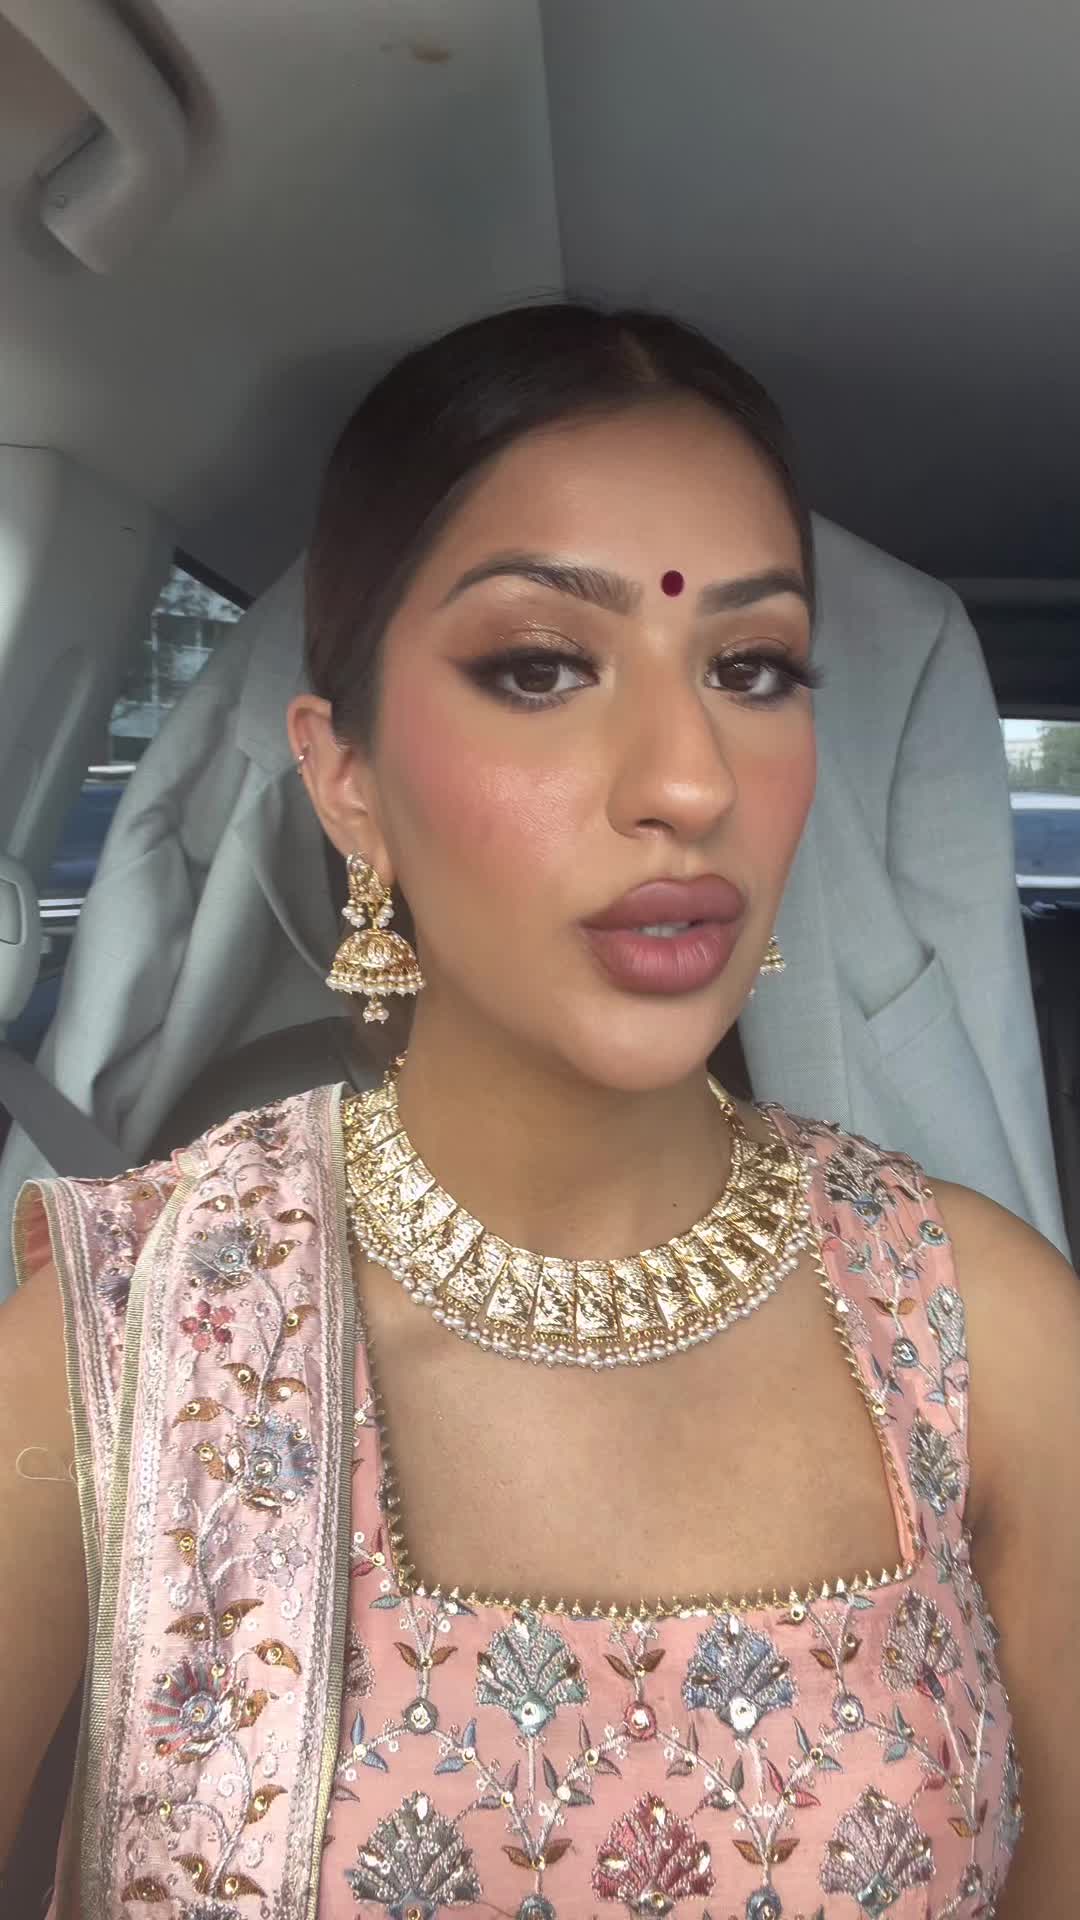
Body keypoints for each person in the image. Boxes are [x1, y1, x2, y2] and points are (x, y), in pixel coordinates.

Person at [1, 303, 1075, 1918]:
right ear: (346, 777)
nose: (690, 780)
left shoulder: (991, 1339)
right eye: (540, 667)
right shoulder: (126, 1340)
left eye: (754, 669)